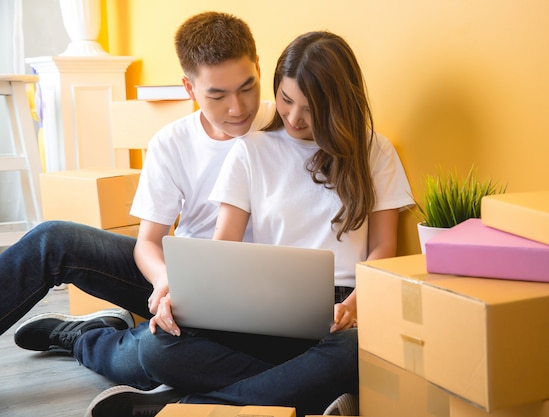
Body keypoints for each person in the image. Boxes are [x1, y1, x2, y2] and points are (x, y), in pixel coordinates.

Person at [62, 30, 413, 417]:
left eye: (312, 109)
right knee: (158, 346)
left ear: (339, 103)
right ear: (275, 88)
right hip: (263, 306)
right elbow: (223, 246)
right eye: (286, 99)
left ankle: (192, 407)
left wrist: (355, 303)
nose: (295, 118)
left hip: (342, 310)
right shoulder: (251, 149)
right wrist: (183, 301)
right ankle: (304, 393)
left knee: (352, 353)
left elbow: (383, 248)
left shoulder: (375, 151)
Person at [7, 11, 271, 354]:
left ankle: (92, 336)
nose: (237, 108)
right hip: (184, 279)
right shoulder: (172, 142)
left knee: (156, 353)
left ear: (259, 69)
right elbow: (148, 242)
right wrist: (166, 280)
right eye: (218, 95)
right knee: (51, 239)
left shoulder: (287, 126)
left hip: (255, 294)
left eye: (247, 87)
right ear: (189, 88)